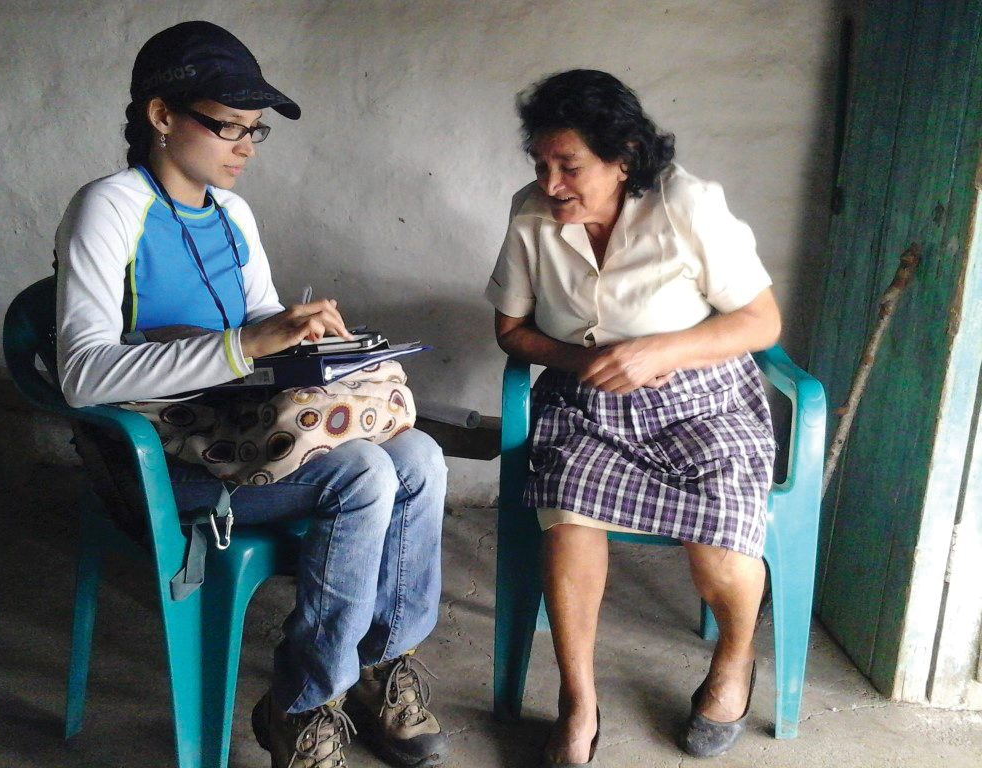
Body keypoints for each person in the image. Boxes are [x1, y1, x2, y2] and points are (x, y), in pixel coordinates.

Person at [54, 21, 449, 768]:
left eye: (254, 131)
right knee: (363, 474)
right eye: (227, 126)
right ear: (161, 115)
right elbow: (82, 373)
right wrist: (247, 345)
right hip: (169, 463)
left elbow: (262, 326)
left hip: (245, 433)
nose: (243, 147)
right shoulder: (107, 208)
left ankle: (376, 664)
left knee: (421, 455)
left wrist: (305, 335)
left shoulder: (232, 215)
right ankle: (301, 706)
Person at [485, 69, 781, 764]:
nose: (551, 183)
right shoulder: (532, 214)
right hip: (588, 403)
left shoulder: (687, 206)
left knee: (718, 549)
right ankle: (577, 702)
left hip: (702, 397)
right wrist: (575, 360)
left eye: (570, 166)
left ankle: (734, 662)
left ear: (624, 157)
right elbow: (510, 330)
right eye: (541, 164)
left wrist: (664, 351)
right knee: (568, 519)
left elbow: (762, 321)